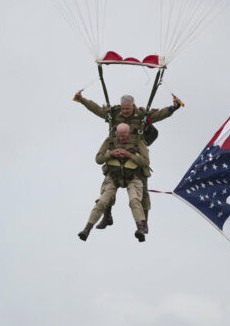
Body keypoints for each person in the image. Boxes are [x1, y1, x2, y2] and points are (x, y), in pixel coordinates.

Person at [74, 92, 182, 232]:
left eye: (127, 109)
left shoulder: (142, 117)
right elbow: (98, 110)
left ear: (133, 106)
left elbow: (159, 115)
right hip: (115, 152)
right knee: (107, 190)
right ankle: (107, 217)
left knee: (142, 193)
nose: (124, 111)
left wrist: (173, 108)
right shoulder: (114, 114)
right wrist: (82, 100)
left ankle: (144, 224)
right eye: (123, 108)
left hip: (135, 154)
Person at [78, 123, 150, 242]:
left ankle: (141, 228)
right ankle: (86, 229)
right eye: (119, 136)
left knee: (134, 200)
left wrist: (129, 155)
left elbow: (145, 162)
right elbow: (98, 159)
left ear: (129, 134)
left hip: (133, 176)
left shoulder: (138, 142)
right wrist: (110, 154)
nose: (121, 139)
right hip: (113, 176)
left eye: (124, 136)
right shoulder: (110, 141)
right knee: (102, 202)